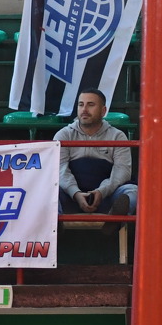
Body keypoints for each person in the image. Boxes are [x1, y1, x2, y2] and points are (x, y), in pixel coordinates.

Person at [54, 88, 137, 234]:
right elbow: (59, 169)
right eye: (81, 104)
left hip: (107, 197)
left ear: (103, 111)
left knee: (133, 191)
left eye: (91, 105)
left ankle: (113, 223)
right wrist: (76, 193)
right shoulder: (63, 134)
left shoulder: (118, 136)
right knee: (49, 192)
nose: (84, 110)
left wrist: (101, 192)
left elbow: (122, 171)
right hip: (70, 197)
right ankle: (55, 229)